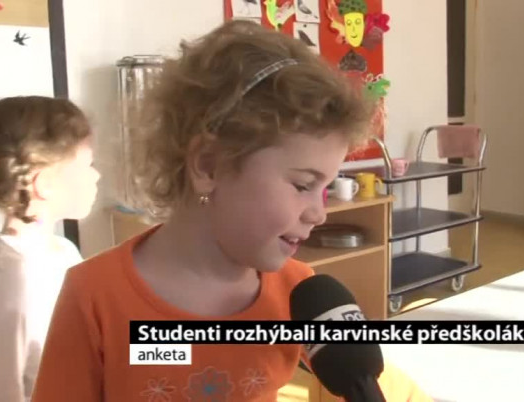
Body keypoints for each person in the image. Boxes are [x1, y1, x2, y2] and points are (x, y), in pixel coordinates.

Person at [32, 20, 431, 401]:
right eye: (302, 185)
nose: (319, 214)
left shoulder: (300, 293)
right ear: (209, 165)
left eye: (325, 188)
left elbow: (373, 381)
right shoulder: (95, 297)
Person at [0, 96, 100, 401]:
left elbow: (96, 341)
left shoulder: (63, 251)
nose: (96, 176)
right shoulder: (13, 277)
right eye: (88, 165)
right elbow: (1, 393)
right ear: (44, 184)